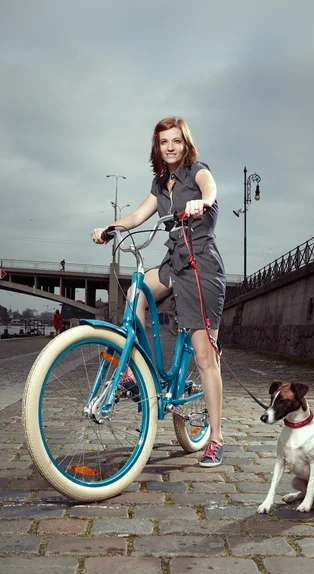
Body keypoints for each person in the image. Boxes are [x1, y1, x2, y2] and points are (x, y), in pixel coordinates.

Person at [91, 117, 226, 467]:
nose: (170, 146)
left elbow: (210, 187)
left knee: (204, 355)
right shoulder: (160, 182)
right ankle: (140, 371)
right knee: (137, 290)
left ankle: (215, 439)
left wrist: (203, 202)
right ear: (158, 147)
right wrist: (109, 227)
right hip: (172, 264)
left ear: (185, 144)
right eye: (164, 141)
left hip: (201, 267)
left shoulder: (198, 171)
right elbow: (137, 216)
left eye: (176, 141)